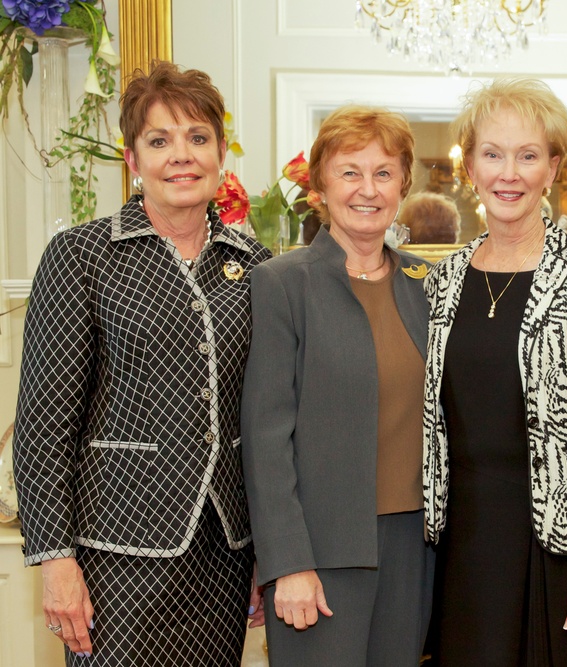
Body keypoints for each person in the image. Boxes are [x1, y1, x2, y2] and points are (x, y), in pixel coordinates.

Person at [12, 61, 269, 665]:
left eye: (197, 138)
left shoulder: (255, 265)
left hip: (223, 552)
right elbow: (44, 423)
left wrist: (268, 553)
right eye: (159, 141)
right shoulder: (82, 255)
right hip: (113, 548)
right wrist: (55, 559)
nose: (181, 156)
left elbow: (263, 419)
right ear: (132, 161)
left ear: (220, 154)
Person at [422, 77, 567, 665]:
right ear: (469, 166)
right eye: (492, 154)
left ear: (552, 168)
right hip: (464, 547)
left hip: (562, 550)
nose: (508, 173)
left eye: (527, 155)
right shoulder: (444, 280)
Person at [241, 105, 434, 665]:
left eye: (383, 172)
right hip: (318, 556)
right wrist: (287, 564)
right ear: (320, 184)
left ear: (402, 184)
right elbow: (266, 439)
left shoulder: (427, 283)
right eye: (350, 171)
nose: (367, 189)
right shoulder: (282, 284)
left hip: (414, 549)